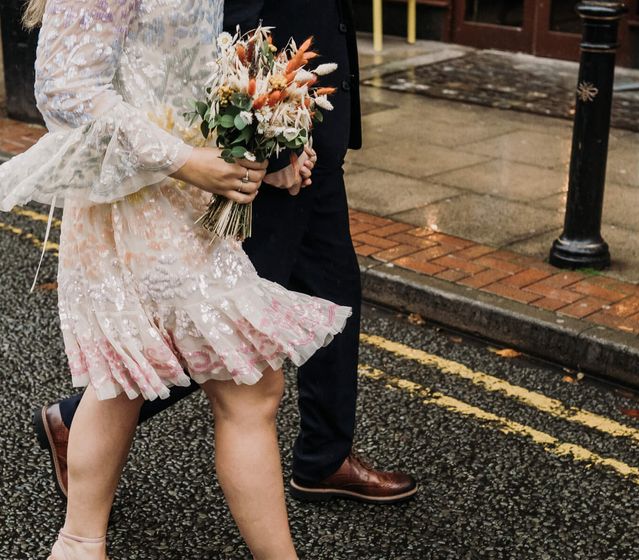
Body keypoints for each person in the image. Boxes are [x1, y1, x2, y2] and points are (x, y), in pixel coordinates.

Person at [5, 0, 370, 560]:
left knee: (120, 378)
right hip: (138, 198)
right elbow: (64, 89)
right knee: (253, 387)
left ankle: (81, 545)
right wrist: (185, 160)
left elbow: (194, 68)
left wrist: (262, 146)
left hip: (175, 192)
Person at [34, 0, 419, 505]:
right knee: (224, 326)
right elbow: (235, 12)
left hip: (311, 122)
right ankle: (74, 423)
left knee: (333, 288)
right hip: (271, 127)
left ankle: (325, 456)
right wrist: (265, 147)